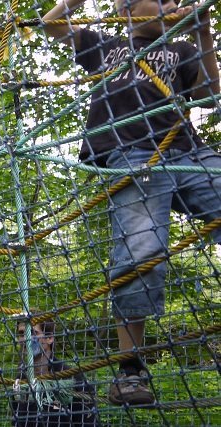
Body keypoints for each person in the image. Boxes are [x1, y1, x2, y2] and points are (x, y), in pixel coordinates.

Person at [41, 0, 220, 405]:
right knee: (142, 247)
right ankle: (130, 371)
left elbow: (210, 97)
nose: (172, 4)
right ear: (127, 8)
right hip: (131, 151)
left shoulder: (183, 51)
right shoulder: (107, 46)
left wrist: (202, 30)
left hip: (186, 149)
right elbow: (50, 24)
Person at [12, 317, 100, 426]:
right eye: (21, 333)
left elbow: (88, 421)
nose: (25, 338)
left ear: (49, 338)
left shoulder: (71, 378)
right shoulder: (21, 379)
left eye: (32, 332)